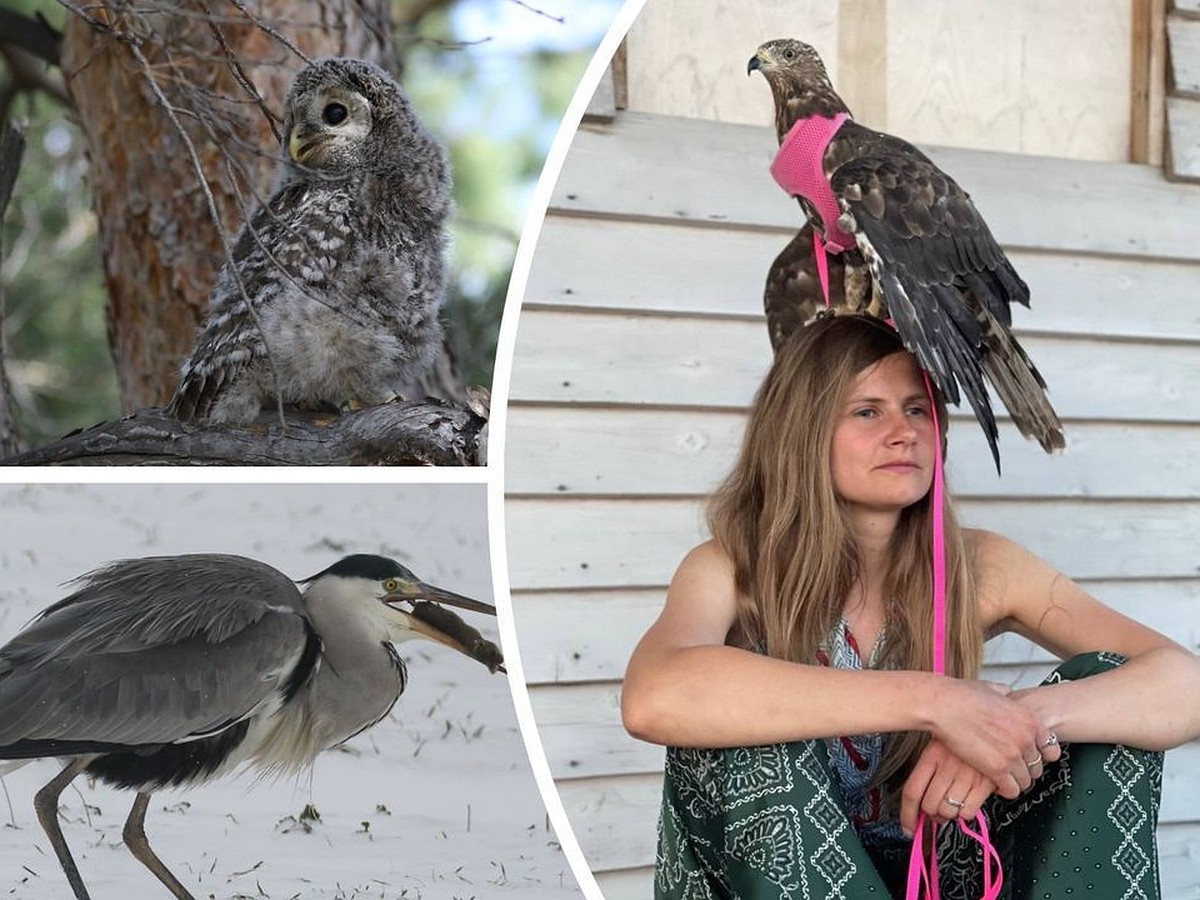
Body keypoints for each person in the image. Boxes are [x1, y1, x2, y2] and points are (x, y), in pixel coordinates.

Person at [622, 315, 1200, 898]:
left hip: (936, 870)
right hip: (774, 880)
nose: (904, 433)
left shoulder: (980, 565)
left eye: (917, 409)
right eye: (867, 411)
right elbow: (653, 697)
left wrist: (1013, 724)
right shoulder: (732, 567)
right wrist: (936, 702)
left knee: (1104, 698)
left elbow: (1184, 685)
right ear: (802, 431)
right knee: (738, 729)